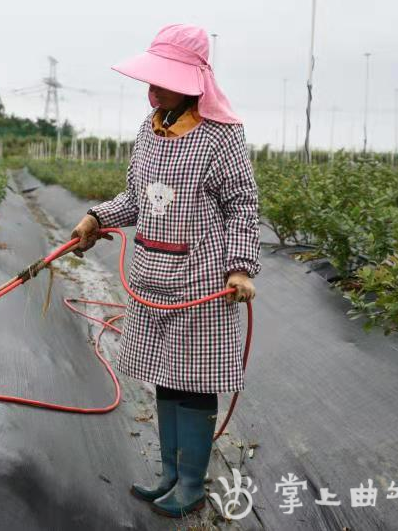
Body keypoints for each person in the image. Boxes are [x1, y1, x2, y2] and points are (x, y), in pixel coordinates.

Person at [70, 24, 261, 518]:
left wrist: (239, 269)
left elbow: (242, 204)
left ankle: (193, 483)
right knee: (166, 377)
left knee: (194, 382)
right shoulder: (149, 129)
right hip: (153, 275)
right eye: (150, 78)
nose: (151, 87)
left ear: (194, 81)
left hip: (201, 279)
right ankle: (170, 475)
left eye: (163, 78)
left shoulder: (221, 136)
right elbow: (136, 199)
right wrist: (97, 217)